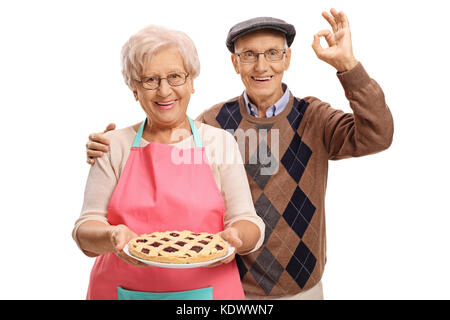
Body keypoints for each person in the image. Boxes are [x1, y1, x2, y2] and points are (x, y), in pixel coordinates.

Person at [85, 9, 394, 300]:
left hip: (299, 285)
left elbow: (377, 135)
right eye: (249, 55)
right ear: (235, 63)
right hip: (233, 286)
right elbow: (165, 134)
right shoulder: (214, 121)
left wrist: (348, 66)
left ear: (287, 58)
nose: (261, 66)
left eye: (273, 53)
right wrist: (107, 146)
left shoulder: (313, 117)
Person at [72, 24, 265, 300]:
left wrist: (237, 238)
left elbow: (248, 222)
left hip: (209, 293)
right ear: (134, 88)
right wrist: (111, 236)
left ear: (191, 82)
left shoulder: (219, 143)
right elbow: (85, 230)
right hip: (120, 291)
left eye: (175, 77)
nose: (164, 91)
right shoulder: (113, 145)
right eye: (150, 79)